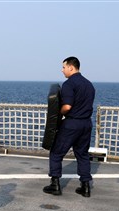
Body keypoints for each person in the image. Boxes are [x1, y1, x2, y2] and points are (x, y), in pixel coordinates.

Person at [43, 56, 96, 197]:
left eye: (64, 67)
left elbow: (67, 106)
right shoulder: (89, 84)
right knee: (83, 155)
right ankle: (85, 187)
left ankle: (55, 185)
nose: (62, 70)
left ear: (71, 67)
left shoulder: (69, 84)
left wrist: (58, 114)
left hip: (72, 124)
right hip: (86, 124)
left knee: (56, 152)